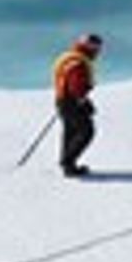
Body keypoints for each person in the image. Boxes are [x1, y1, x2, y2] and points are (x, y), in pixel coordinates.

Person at [52, 32, 102, 177]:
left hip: (62, 99)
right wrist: (84, 102)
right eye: (96, 47)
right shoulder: (78, 63)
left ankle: (68, 165)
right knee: (86, 131)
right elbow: (76, 88)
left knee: (70, 132)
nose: (98, 52)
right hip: (71, 101)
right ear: (88, 46)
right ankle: (68, 162)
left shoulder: (70, 56)